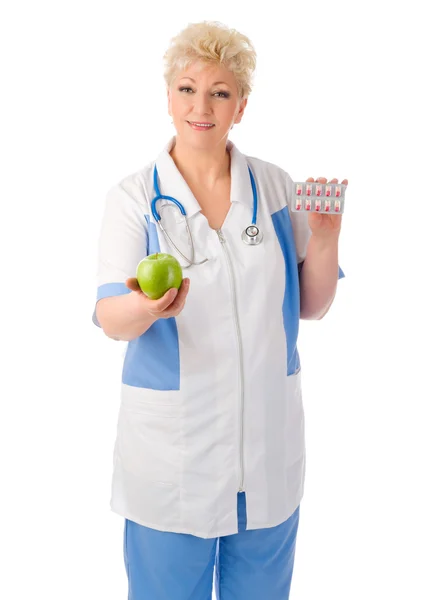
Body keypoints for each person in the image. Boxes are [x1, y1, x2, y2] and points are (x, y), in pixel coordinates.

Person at [92, 20, 347, 600]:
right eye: (187, 88)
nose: (200, 106)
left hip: (266, 450)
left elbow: (311, 305)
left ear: (242, 106)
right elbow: (111, 319)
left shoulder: (278, 190)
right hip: (172, 456)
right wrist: (149, 306)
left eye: (220, 92)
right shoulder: (134, 198)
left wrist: (326, 238)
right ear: (167, 98)